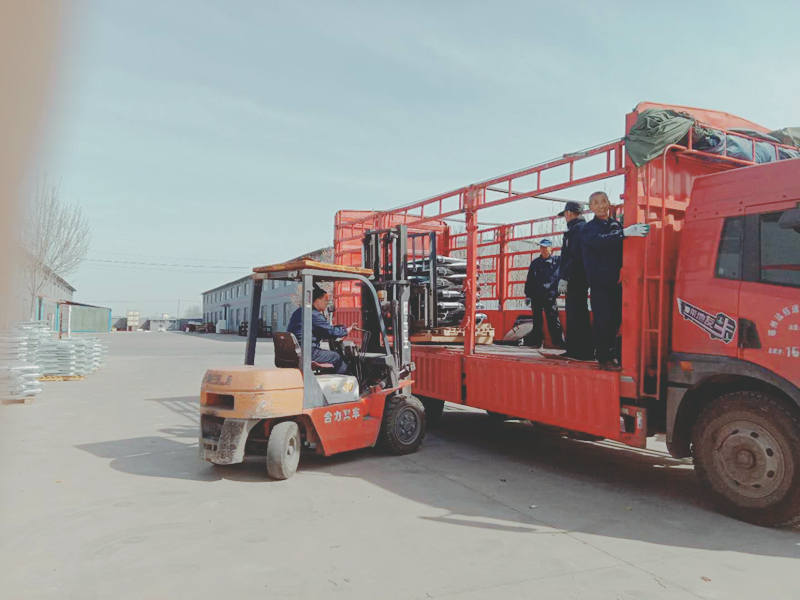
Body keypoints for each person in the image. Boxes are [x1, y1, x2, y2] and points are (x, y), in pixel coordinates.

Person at [580, 191, 650, 370]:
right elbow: (600, 241)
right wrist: (624, 233)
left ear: (609, 203)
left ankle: (614, 354)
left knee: (616, 320)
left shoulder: (615, 225)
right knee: (603, 319)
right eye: (596, 202)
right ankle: (604, 358)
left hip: (617, 281)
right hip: (599, 282)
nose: (600, 205)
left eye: (603, 201)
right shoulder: (588, 229)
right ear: (591, 207)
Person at [556, 201, 594, 360]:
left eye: (565, 214)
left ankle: (580, 351)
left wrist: (565, 276)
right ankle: (576, 349)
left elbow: (573, 256)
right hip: (579, 276)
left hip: (576, 277)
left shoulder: (577, 231)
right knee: (576, 311)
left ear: (569, 213)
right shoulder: (578, 229)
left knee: (576, 312)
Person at [287, 286, 352, 374]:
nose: (327, 303)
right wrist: (345, 331)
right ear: (317, 300)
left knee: (328, 355)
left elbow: (322, 331)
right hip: (308, 352)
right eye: (325, 301)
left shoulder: (299, 311)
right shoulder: (313, 314)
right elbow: (330, 331)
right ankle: (344, 381)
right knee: (336, 357)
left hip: (296, 351)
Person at [524, 238, 564, 349]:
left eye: (546, 248)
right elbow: (530, 280)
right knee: (537, 321)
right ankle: (537, 342)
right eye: (541, 247)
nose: (543, 250)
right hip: (536, 295)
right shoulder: (535, 263)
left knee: (553, 320)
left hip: (550, 295)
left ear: (551, 249)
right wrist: (528, 295)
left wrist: (559, 288)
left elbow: (566, 269)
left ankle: (558, 342)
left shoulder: (558, 261)